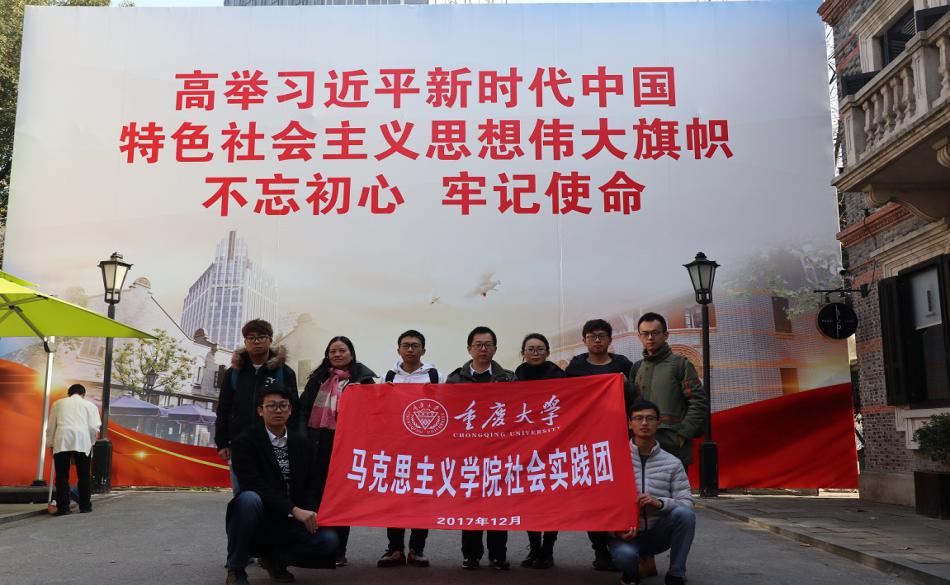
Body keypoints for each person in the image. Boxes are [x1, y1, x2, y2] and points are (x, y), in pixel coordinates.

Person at [225, 384, 339, 585]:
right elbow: (253, 483)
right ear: (260, 410)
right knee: (248, 499)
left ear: (290, 410)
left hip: (291, 521)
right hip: (260, 519)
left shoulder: (302, 444)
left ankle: (275, 560)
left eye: (283, 405)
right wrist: (293, 509)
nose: (277, 410)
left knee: (329, 540)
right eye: (271, 406)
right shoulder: (245, 442)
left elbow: (312, 485)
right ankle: (236, 568)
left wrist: (310, 513)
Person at [300, 335, 376, 567]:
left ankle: (338, 551)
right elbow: (303, 410)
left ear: (351, 353)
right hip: (316, 447)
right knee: (314, 499)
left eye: (342, 350)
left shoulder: (363, 381)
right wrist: (302, 438)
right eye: (332, 351)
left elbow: (374, 414)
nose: (337, 354)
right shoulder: (318, 378)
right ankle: (315, 548)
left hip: (347, 450)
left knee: (341, 501)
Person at [565, 318, 634, 571]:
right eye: (592, 336)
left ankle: (620, 546)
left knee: (616, 496)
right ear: (584, 340)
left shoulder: (622, 365)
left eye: (602, 336)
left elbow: (635, 398)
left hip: (617, 440)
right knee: (592, 498)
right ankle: (600, 549)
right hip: (587, 440)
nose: (597, 340)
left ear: (609, 340)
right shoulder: (576, 367)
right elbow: (566, 399)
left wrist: (625, 387)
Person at [446, 326, 516, 570]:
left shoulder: (508, 378)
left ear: (495, 349)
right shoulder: (455, 379)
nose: (483, 349)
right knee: (471, 503)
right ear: (469, 349)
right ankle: (471, 554)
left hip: (499, 451)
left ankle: (498, 555)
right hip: (468, 453)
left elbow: (518, 411)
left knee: (498, 505)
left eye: (488, 345)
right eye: (478, 345)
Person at [609, 399, 695, 585]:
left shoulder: (672, 463)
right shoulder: (613, 459)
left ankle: (675, 574)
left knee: (685, 515)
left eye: (650, 418)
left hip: (657, 534)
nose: (644, 423)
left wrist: (660, 503)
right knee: (624, 556)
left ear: (659, 423)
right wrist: (615, 530)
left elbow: (687, 502)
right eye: (638, 418)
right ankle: (631, 572)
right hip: (625, 535)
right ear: (629, 424)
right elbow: (600, 502)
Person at [378, 329, 443, 568]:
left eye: (415, 345)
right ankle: (395, 549)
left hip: (425, 448)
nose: (410, 349)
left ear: (423, 350)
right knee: (394, 498)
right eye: (405, 345)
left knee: (421, 498)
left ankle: (417, 549)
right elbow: (379, 410)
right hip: (395, 448)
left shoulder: (436, 376)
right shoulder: (388, 377)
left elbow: (447, 407)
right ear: (398, 350)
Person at [215, 319, 299, 494]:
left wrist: (291, 442)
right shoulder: (234, 373)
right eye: (251, 338)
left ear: (270, 340)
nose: (257, 342)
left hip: (274, 445)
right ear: (245, 342)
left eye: (262, 337)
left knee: (275, 494)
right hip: (240, 444)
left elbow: (293, 410)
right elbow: (223, 409)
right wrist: (222, 442)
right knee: (242, 496)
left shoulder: (284, 372)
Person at [630, 312, 707, 469]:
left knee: (675, 486)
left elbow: (699, 402)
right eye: (645, 334)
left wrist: (683, 435)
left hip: (673, 448)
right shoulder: (637, 368)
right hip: (641, 448)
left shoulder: (680, 364)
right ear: (639, 337)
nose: (650, 338)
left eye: (655, 333)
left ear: (665, 335)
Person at [514, 333, 565, 569]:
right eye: (530, 349)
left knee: (552, 501)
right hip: (526, 447)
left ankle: (548, 549)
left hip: (554, 446)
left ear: (548, 352)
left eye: (540, 349)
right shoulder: (517, 375)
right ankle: (534, 549)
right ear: (523, 352)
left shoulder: (558, 375)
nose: (535, 353)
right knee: (530, 500)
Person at [46, 383, 101, 515]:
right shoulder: (90, 405)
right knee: (83, 475)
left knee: (62, 476)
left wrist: (50, 444)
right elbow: (94, 427)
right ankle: (85, 506)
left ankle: (63, 507)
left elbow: (51, 426)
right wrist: (91, 442)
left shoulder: (58, 404)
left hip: (62, 439)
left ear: (68, 394)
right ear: (83, 394)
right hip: (82, 439)